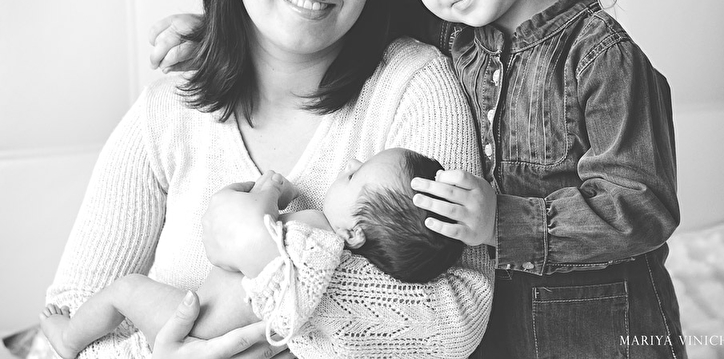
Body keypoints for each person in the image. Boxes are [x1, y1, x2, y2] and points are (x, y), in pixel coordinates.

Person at [152, 0, 686, 356]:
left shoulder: (600, 58)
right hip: (502, 338)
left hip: (601, 333)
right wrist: (220, 31)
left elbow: (644, 207)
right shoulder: (454, 33)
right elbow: (330, 11)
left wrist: (501, 222)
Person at [45, 0, 493, 358]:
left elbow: (455, 318)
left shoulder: (411, 85)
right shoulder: (167, 114)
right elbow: (63, 330)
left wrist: (266, 258)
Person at [41, 148, 463, 359]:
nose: (349, 162)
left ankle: (68, 338)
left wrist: (270, 191)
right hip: (201, 334)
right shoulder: (330, 259)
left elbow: (249, 236)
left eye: (354, 175)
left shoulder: (318, 238)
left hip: (197, 327)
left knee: (126, 290)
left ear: (353, 233)